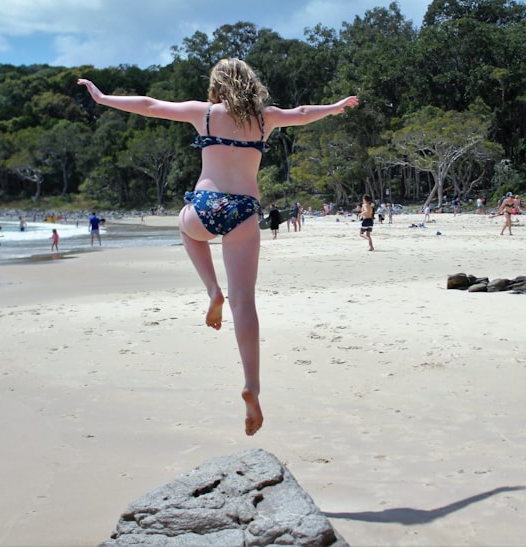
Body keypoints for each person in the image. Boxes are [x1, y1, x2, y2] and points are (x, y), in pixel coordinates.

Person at [78, 58, 358, 436]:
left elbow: (148, 105)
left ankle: (212, 290)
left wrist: (102, 96)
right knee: (246, 302)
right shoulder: (265, 117)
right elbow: (304, 113)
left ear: (217, 84)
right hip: (243, 212)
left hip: (205, 206)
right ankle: (252, 386)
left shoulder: (204, 113)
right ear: (249, 82)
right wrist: (337, 107)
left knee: (186, 226)